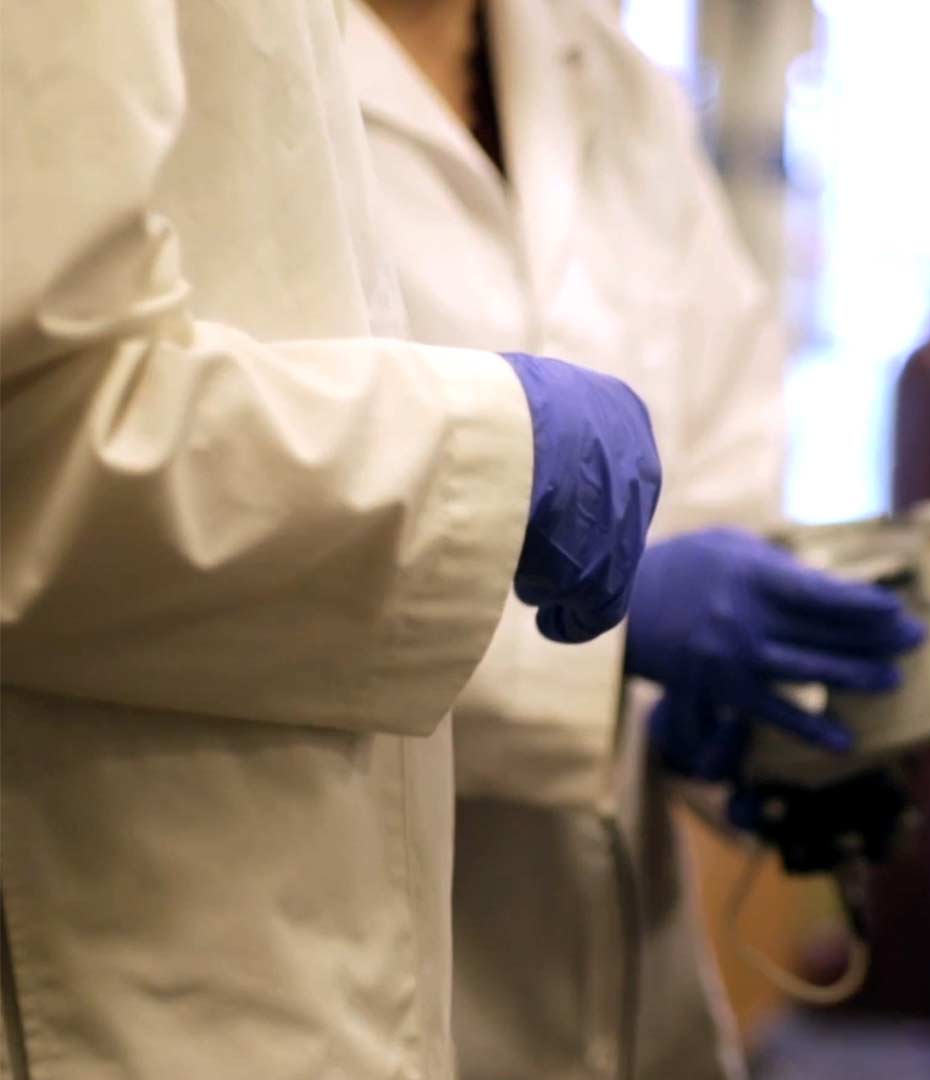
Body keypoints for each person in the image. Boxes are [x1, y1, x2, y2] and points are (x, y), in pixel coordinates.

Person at [0, 3, 665, 1078]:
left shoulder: (607, 71)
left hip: (310, 959)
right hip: (134, 968)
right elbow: (35, 437)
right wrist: (497, 454)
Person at [345, 2, 927, 1078]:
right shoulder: (254, 69)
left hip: (644, 996)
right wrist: (605, 652)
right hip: (361, 989)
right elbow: (245, 539)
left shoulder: (614, 83)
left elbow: (726, 453)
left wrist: (719, 725)